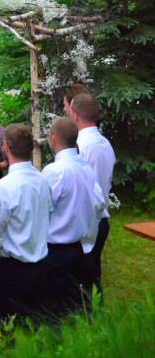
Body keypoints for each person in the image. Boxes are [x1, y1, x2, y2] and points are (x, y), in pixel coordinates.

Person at [41, 117, 105, 316]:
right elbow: (100, 203)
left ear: (53, 138)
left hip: (57, 251)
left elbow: (41, 208)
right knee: (80, 306)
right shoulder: (86, 168)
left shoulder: (54, 171)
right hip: (82, 248)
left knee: (57, 309)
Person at [0, 124, 52, 317]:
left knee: (11, 325)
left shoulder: (3, 187)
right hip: (42, 262)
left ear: (6, 146)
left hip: (12, 267)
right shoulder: (43, 180)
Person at [68, 93, 115, 296]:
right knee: (93, 275)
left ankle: (86, 318)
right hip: (100, 217)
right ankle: (96, 316)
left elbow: (82, 189)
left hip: (88, 222)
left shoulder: (82, 145)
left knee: (82, 280)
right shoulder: (105, 143)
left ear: (76, 115)